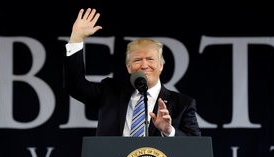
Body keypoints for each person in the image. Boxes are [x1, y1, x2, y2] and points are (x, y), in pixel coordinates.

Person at [63, 7, 201, 137]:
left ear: (161, 66)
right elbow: (75, 86)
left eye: (150, 59)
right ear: (128, 67)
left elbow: (196, 146)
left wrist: (169, 131)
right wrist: (76, 40)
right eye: (137, 60)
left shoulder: (182, 104)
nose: (144, 65)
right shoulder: (110, 91)